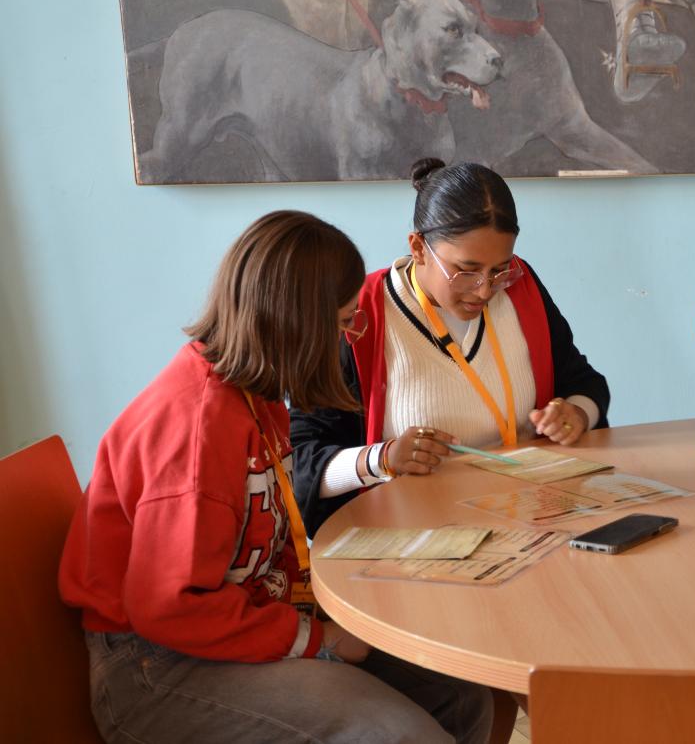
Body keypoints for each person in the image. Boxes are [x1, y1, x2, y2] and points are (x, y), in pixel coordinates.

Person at [58, 211, 493, 744]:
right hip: (156, 667)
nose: (348, 339)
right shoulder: (197, 429)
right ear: (297, 324)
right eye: (342, 323)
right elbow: (168, 609)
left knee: (460, 696)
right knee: (400, 734)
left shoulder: (255, 394)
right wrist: (316, 639)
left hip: (236, 619)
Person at [289, 158, 610, 537]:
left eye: (499, 270)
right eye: (466, 270)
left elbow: (585, 383)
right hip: (417, 539)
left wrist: (576, 413)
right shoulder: (360, 314)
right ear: (418, 247)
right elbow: (300, 460)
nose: (485, 289)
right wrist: (382, 458)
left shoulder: (520, 287)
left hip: (530, 524)